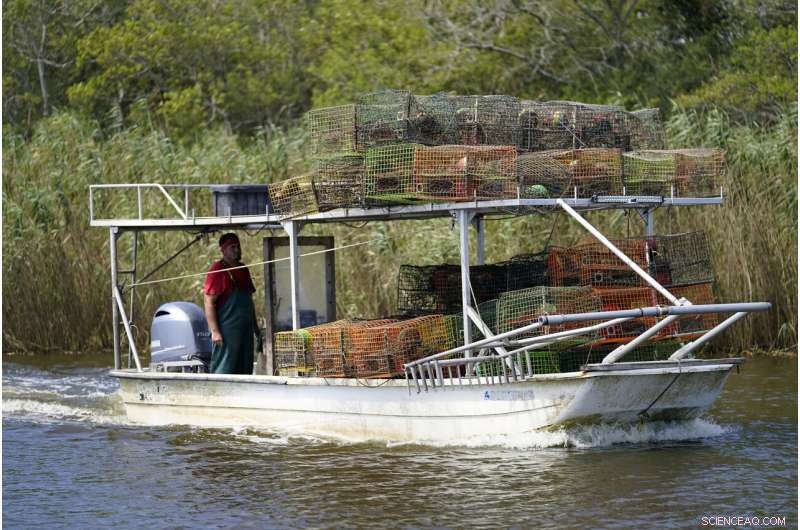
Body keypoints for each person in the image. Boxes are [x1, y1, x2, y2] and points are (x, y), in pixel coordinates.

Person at [203, 233, 260, 374]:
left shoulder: (243, 270)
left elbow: (249, 301)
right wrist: (215, 332)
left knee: (245, 368)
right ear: (222, 250)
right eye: (232, 247)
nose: (236, 250)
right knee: (224, 368)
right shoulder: (218, 270)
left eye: (238, 246)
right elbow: (208, 302)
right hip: (227, 333)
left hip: (245, 332)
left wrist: (256, 328)